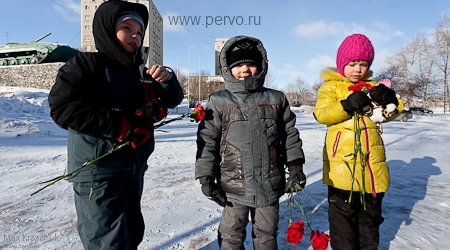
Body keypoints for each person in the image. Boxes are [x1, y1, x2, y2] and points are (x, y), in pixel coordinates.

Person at [48, 1, 183, 249]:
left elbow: (173, 100)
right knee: (108, 243)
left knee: (132, 235)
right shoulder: (86, 65)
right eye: (127, 27)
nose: (135, 35)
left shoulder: (140, 72)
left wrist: (165, 85)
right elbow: (64, 109)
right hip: (98, 173)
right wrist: (123, 126)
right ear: (107, 30)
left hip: (132, 169)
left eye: (140, 31)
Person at [195, 35, 306, 250]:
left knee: (266, 236)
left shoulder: (276, 99)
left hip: (269, 187)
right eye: (238, 65)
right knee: (231, 237)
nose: (245, 70)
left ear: (261, 67)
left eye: (251, 64)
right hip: (233, 187)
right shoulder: (218, 101)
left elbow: (290, 135)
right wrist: (206, 177)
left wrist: (295, 167)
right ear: (227, 69)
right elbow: (207, 141)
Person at [313, 34, 404, 250]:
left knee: (369, 227)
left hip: (372, 171)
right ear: (341, 64)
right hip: (341, 172)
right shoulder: (331, 87)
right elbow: (322, 114)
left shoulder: (373, 87)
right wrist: (345, 105)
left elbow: (394, 111)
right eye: (352, 63)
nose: (358, 69)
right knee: (343, 230)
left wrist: (389, 98)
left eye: (363, 64)